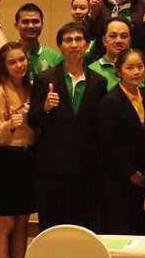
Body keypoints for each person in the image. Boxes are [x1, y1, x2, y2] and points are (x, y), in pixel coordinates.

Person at [29, 20, 106, 233]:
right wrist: (45, 108)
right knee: (52, 227)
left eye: (79, 39)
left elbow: (99, 127)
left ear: (87, 45)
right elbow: (32, 120)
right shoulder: (45, 79)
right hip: (52, 168)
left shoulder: (98, 82)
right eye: (68, 40)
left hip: (86, 169)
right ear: (60, 46)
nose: (74, 44)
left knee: (83, 228)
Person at [0, 43, 38, 258]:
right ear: (4, 67)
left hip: (29, 158)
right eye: (12, 62)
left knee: (22, 223)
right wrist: (10, 124)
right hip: (6, 158)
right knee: (5, 222)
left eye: (22, 60)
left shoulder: (34, 89)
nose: (19, 65)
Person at [97, 48, 145, 233]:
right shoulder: (110, 101)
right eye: (130, 68)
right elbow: (109, 143)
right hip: (120, 178)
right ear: (119, 70)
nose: (136, 72)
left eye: (140, 66)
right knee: (122, 229)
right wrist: (130, 172)